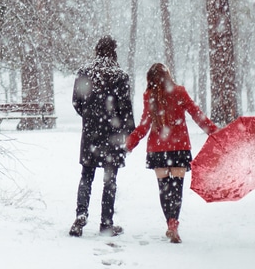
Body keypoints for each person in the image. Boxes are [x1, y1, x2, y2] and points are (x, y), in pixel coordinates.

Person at [126, 62, 218, 244]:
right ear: (167, 76)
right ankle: (173, 224)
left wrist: (129, 143)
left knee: (164, 189)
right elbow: (196, 114)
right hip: (179, 148)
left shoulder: (149, 96)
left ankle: (169, 222)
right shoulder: (179, 91)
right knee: (176, 188)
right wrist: (214, 132)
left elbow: (144, 125)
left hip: (158, 150)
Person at [69, 36, 134, 237]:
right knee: (110, 179)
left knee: (86, 175)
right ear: (114, 52)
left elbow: (76, 102)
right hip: (113, 135)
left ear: (97, 51)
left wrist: (89, 117)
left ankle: (81, 215)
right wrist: (127, 129)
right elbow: (125, 108)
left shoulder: (84, 73)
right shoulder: (120, 76)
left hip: (90, 133)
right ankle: (106, 222)